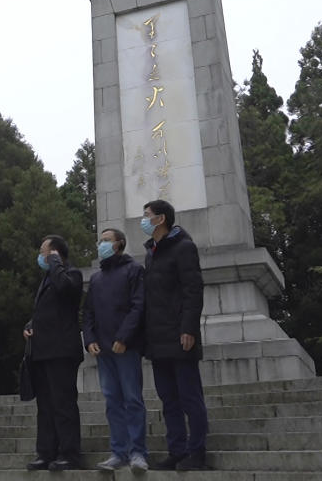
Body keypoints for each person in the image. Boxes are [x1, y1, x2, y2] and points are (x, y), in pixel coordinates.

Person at [141, 199, 209, 471]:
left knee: (190, 397)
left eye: (147, 215)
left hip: (180, 335)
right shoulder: (151, 253)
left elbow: (194, 290)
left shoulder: (184, 248)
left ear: (161, 219)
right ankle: (177, 450)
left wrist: (188, 328)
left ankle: (197, 451)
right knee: (169, 399)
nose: (143, 220)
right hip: (158, 340)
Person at [82, 228, 148, 472]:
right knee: (112, 401)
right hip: (103, 350)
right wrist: (89, 340)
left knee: (132, 399)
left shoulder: (133, 270)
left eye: (106, 240)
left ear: (119, 243)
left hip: (125, 347)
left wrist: (124, 337)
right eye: (100, 240)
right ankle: (118, 452)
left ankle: (138, 452)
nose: (101, 244)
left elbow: (138, 306)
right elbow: (87, 312)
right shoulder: (97, 278)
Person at [24, 235, 84, 472]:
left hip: (61, 350)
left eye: (44, 251)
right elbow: (45, 312)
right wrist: (30, 325)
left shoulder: (71, 274)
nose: (40, 255)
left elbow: (66, 290)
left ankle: (69, 453)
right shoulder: (47, 278)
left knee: (63, 404)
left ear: (56, 253)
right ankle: (46, 452)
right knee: (46, 406)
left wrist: (56, 263)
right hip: (42, 350)